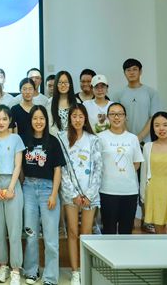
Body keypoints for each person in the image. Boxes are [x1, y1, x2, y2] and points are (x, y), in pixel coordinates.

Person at [58, 104, 103, 285]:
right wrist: (73, 194)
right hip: (71, 195)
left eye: (80, 116)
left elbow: (98, 168)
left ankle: (85, 269)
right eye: (74, 116)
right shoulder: (62, 138)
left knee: (86, 233)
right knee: (72, 232)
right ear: (69, 119)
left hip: (90, 195)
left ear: (85, 119)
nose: (77, 119)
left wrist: (89, 194)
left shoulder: (93, 140)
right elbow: (62, 169)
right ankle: (75, 271)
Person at [22, 106, 66, 285]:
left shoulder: (53, 142)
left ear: (46, 121)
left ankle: (50, 277)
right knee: (31, 234)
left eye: (41, 118)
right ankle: (31, 271)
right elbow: (20, 167)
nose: (38, 122)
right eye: (35, 118)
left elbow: (58, 170)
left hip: (48, 190)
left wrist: (54, 194)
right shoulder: (24, 140)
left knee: (51, 238)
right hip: (28, 189)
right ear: (30, 120)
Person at [0, 106, 25, 285]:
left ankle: (15, 269)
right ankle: (3, 266)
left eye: (4, 119)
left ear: (10, 120)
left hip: (12, 183)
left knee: (14, 229)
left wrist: (11, 188)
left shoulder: (16, 139)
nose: (1, 122)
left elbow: (18, 165)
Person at [98, 103, 144, 235]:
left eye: (120, 114)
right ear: (108, 117)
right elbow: (98, 163)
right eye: (112, 114)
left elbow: (136, 163)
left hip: (129, 191)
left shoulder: (133, 138)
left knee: (126, 231)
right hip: (107, 190)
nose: (116, 117)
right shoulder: (100, 137)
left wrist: (124, 174)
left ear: (125, 117)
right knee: (109, 230)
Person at [140, 112, 167, 234]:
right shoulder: (148, 147)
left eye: (165, 125)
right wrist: (143, 197)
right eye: (157, 125)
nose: (161, 128)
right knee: (159, 236)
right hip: (154, 193)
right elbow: (143, 174)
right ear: (153, 128)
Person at [114, 58, 161, 143]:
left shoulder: (151, 93)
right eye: (128, 70)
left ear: (140, 71)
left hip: (148, 141)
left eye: (135, 69)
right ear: (124, 73)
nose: (131, 72)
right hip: (125, 141)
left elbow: (154, 117)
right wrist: (129, 137)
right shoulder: (118, 94)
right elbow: (117, 118)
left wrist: (139, 137)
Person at [46, 70, 78, 137]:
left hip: (74, 138)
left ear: (70, 84)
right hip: (56, 139)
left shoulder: (77, 102)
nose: (63, 85)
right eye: (60, 82)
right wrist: (61, 138)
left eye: (66, 82)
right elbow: (50, 126)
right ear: (56, 84)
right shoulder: (49, 103)